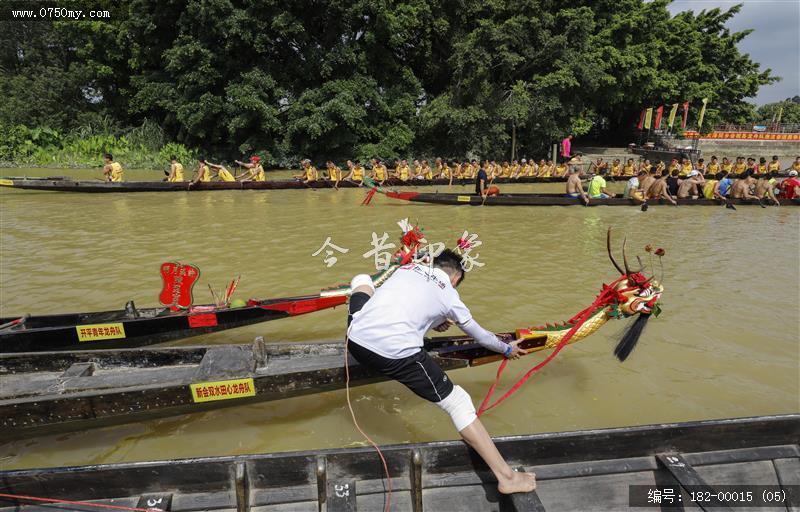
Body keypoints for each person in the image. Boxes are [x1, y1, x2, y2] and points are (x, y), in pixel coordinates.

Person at [346, 253, 536, 495]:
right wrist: (507, 348)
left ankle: (507, 476)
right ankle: (507, 477)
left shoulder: (407, 269)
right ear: (455, 278)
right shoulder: (449, 295)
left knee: (362, 280)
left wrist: (434, 320)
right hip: (392, 353)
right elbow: (481, 336)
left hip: (355, 338)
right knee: (459, 402)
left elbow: (403, 301)